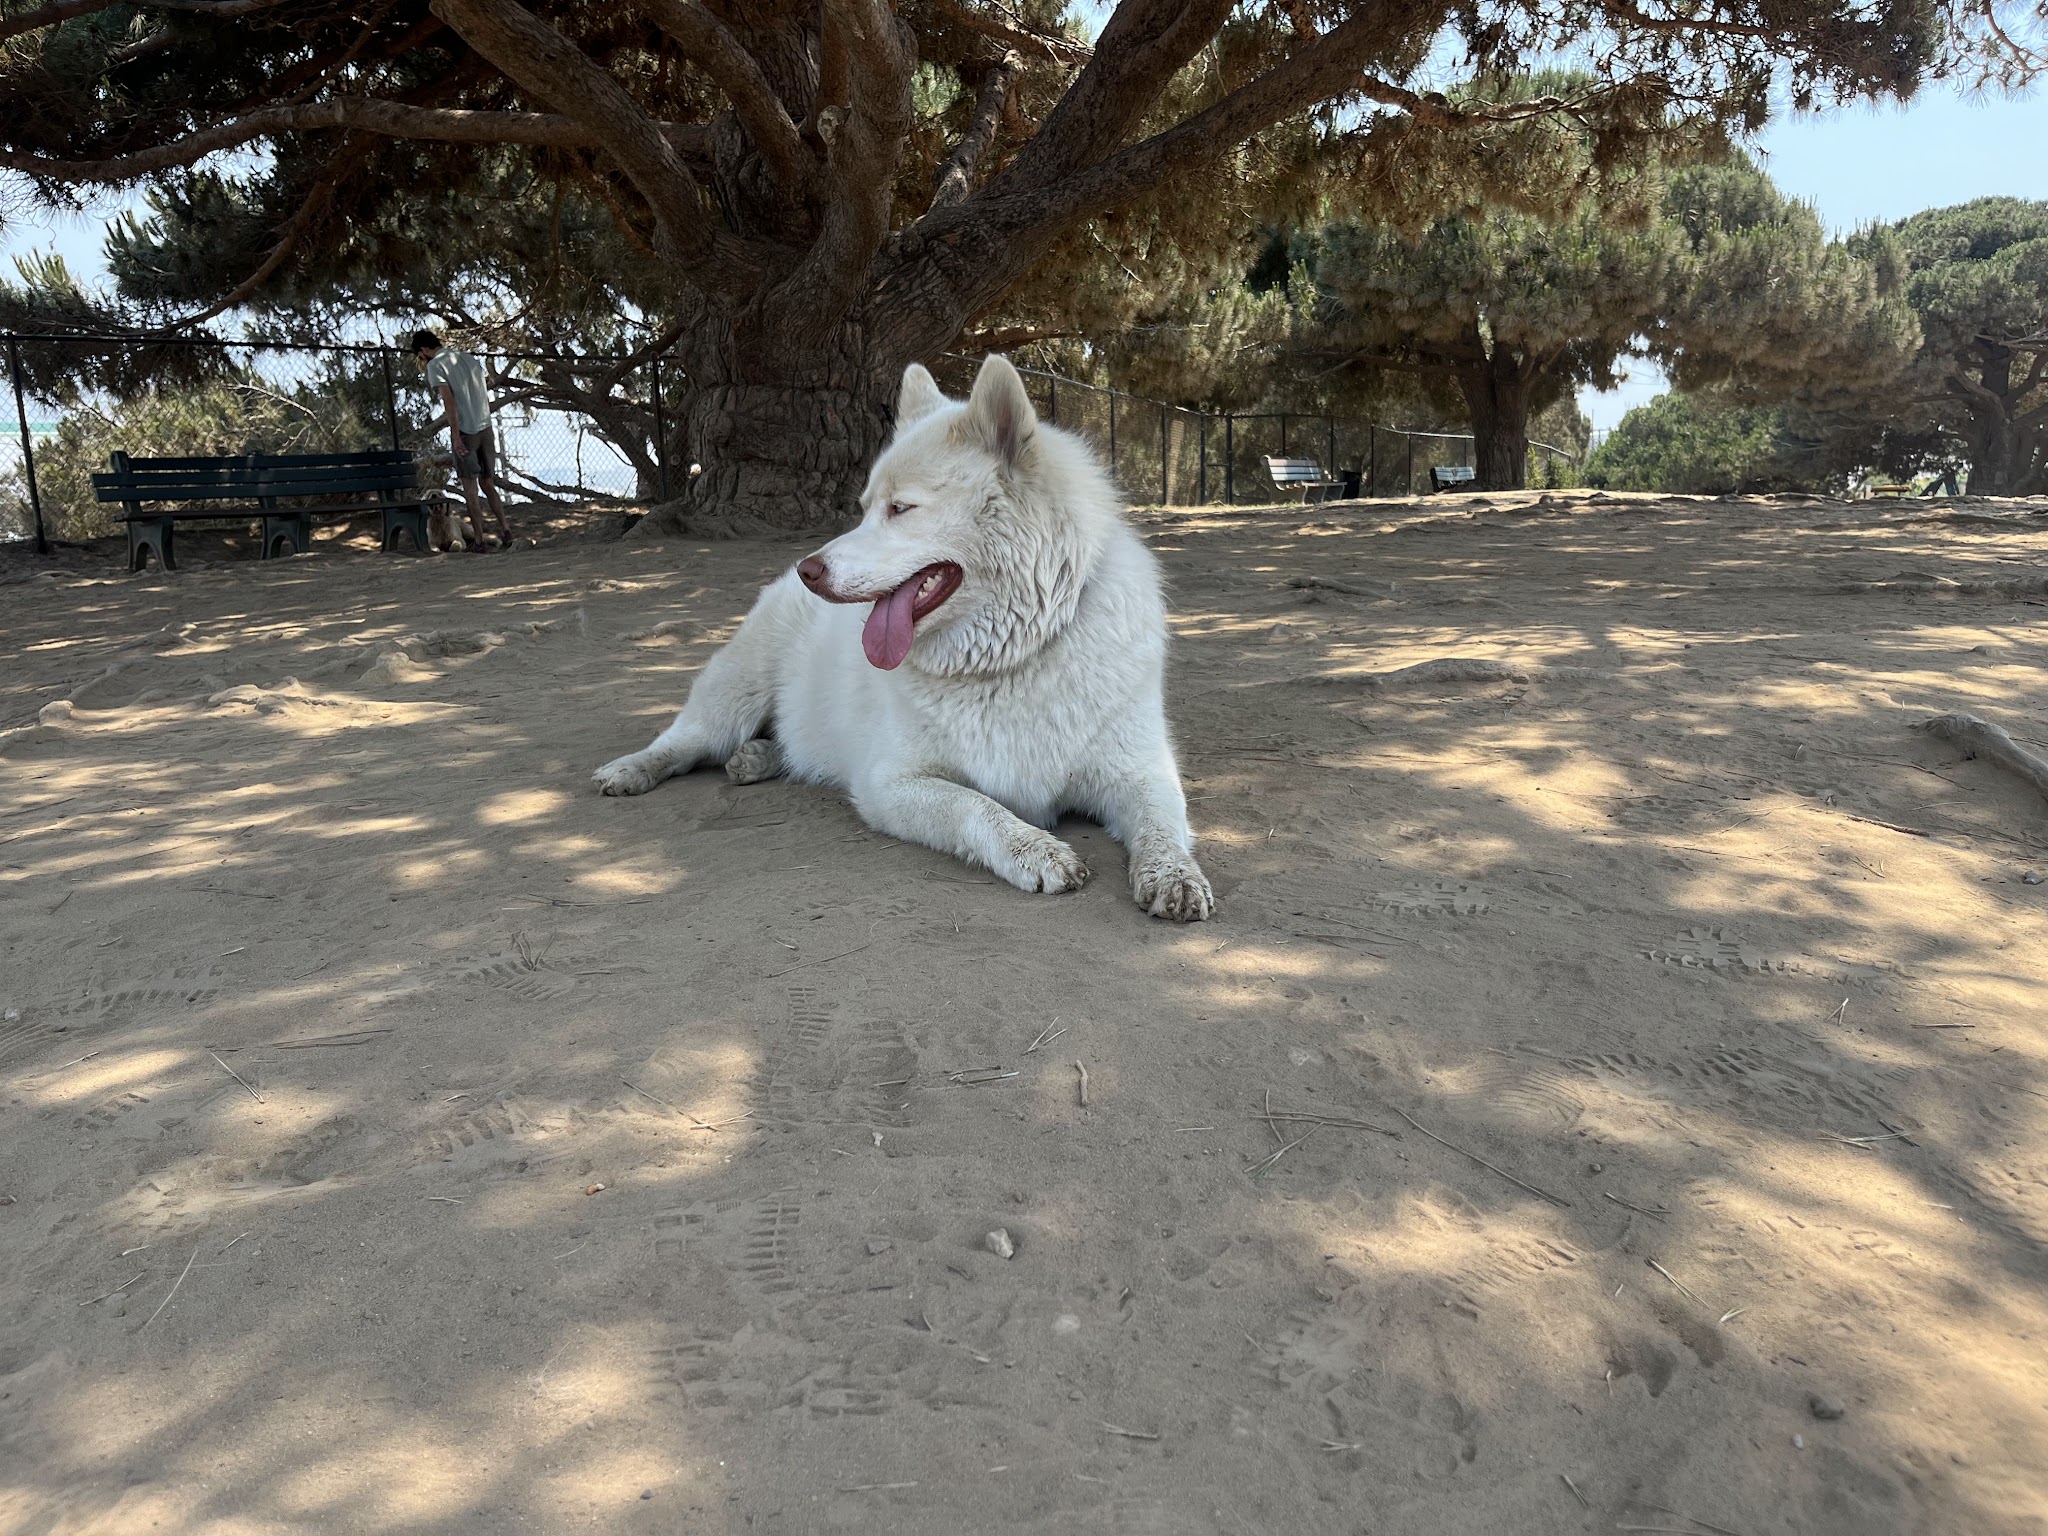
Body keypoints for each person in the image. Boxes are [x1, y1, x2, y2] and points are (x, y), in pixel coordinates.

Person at [411, 330, 511, 551]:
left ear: (424, 350)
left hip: (466, 431)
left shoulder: (436, 365)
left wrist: (456, 435)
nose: (422, 360)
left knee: (470, 490)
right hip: (486, 427)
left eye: (420, 356)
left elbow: (449, 401)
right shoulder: (468, 358)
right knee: (488, 483)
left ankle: (479, 541)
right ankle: (506, 531)